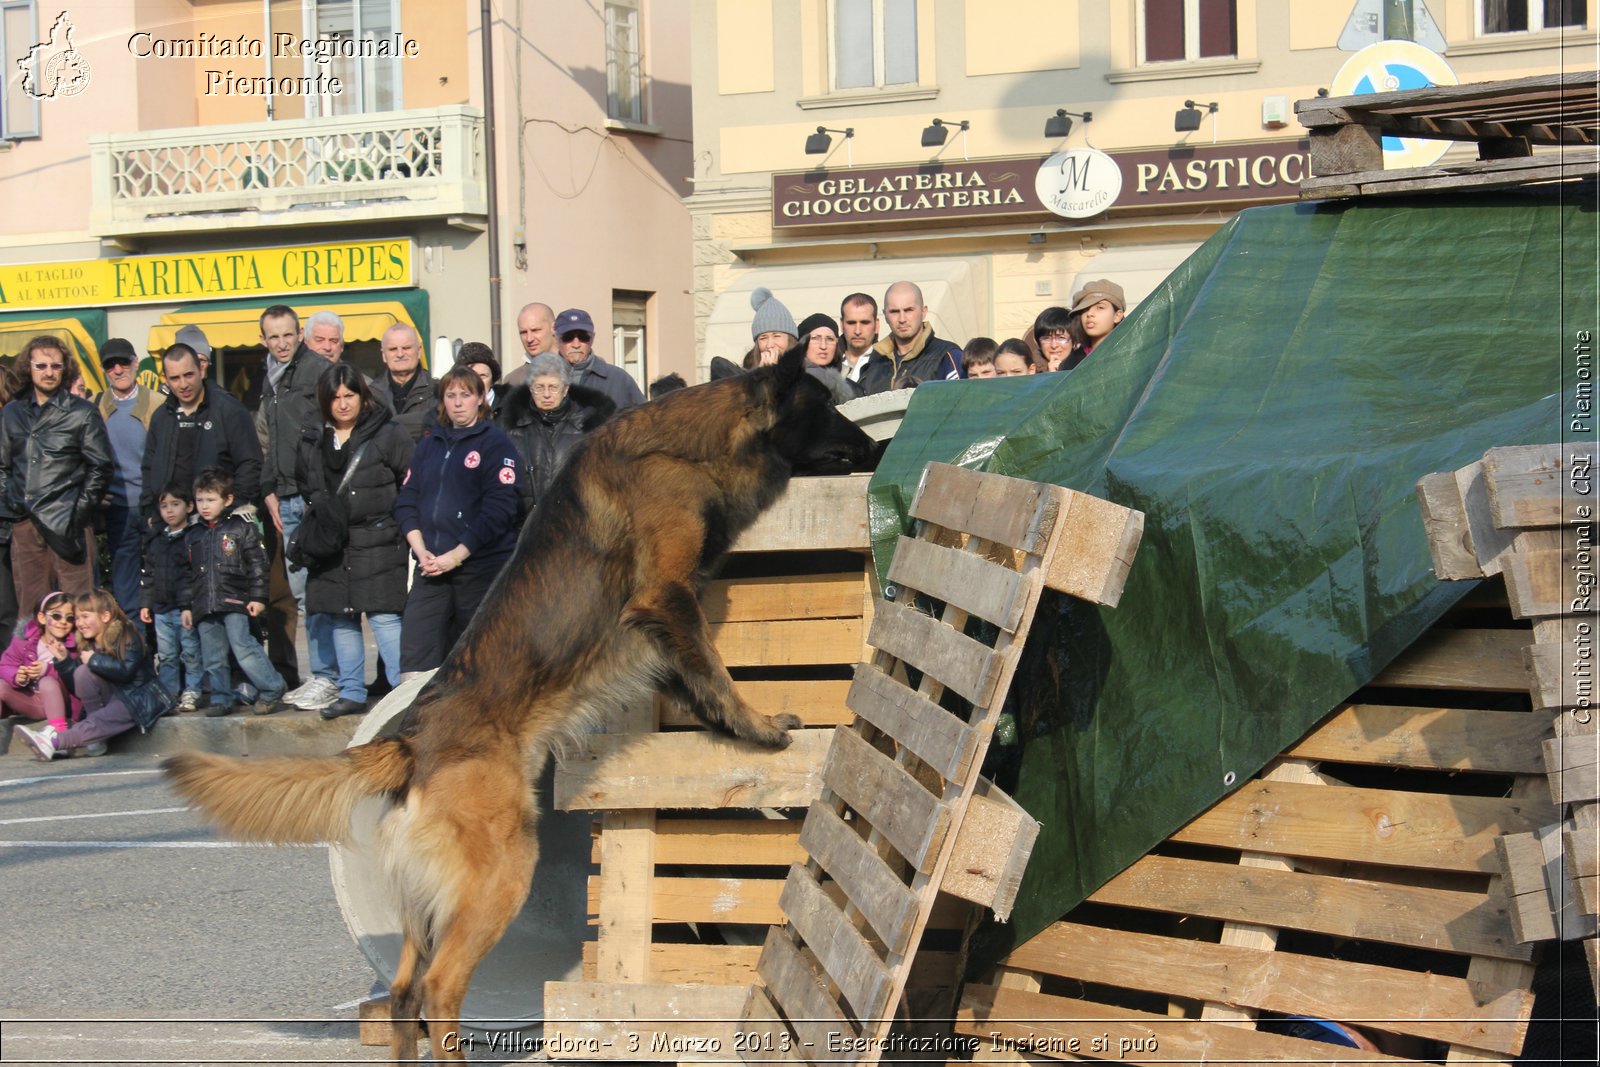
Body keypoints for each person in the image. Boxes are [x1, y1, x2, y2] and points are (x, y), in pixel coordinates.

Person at [288, 364, 413, 719]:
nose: (343, 404)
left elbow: (411, 479)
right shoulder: (313, 434)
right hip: (331, 541)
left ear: (362, 395)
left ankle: (404, 697)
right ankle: (352, 692)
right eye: (336, 397)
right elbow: (303, 480)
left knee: (384, 618)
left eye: (350, 395)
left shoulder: (388, 433)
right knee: (341, 618)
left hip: (378, 538)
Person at [394, 365, 523, 675]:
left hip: (479, 567)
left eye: (465, 395)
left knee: (478, 658)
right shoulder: (429, 444)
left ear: (480, 398)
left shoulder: (495, 443)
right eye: (450, 395)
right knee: (415, 652)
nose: (457, 402)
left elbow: (500, 510)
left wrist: (457, 555)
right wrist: (420, 548)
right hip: (431, 565)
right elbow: (406, 500)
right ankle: (417, 718)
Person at [0, 336, 115, 623]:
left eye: (55, 365)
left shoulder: (83, 412)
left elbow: (101, 467)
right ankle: (34, 669)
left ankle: (80, 668)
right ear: (29, 367)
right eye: (41, 365)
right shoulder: (12, 412)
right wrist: (14, 509)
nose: (49, 372)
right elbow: (3, 466)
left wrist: (77, 514)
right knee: (30, 613)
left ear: (65, 369)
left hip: (69, 524)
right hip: (25, 524)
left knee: (80, 611)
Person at [14, 589, 174, 761]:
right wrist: (64, 661)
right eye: (77, 618)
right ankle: (95, 740)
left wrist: (94, 660)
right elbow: (77, 687)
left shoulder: (127, 635)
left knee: (99, 718)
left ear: (105, 616)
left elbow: (126, 673)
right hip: (113, 695)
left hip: (137, 697)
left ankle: (53, 741)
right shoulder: (88, 645)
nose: (79, 623)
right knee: (83, 673)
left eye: (85, 616)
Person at [181, 467, 287, 717]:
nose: (204, 506)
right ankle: (221, 698)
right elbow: (187, 573)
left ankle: (272, 687)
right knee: (213, 656)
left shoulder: (242, 527)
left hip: (235, 599)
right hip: (204, 605)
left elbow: (258, 565)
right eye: (200, 500)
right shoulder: (193, 534)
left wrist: (258, 597)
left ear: (227, 500)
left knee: (244, 647)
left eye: (211, 500)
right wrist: (187, 605)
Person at [140, 343, 262, 530]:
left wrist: (231, 508)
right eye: (175, 378)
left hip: (217, 524)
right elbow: (148, 467)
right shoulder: (161, 417)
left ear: (201, 370)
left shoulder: (229, 410)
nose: (183, 384)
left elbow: (250, 463)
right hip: (169, 526)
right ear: (165, 379)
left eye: (188, 375)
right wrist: (149, 510)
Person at [498, 352, 615, 514]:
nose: (546, 394)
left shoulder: (586, 429)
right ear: (531, 388)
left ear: (565, 389)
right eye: (539, 387)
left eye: (553, 387)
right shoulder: (513, 429)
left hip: (571, 528)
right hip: (522, 529)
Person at [96, 338, 161, 618]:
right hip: (117, 510)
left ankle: (170, 656)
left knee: (166, 582)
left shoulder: (159, 403)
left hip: (155, 507)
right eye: (111, 364)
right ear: (104, 370)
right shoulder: (95, 407)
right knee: (125, 589)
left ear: (135, 362)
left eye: (124, 361)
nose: (118, 369)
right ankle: (136, 654)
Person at [141, 482, 203, 713]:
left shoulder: (193, 537)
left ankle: (193, 690)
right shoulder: (157, 540)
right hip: (161, 608)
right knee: (167, 655)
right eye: (164, 505)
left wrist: (188, 605)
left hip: (184, 608)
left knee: (190, 652)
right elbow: (149, 573)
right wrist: (146, 603)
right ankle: (168, 693)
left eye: (175, 504)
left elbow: (193, 575)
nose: (169, 510)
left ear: (189, 507)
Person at [858, 281, 963, 394]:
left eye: (908, 310)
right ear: (885, 315)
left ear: (923, 312)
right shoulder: (875, 361)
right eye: (894, 311)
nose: (902, 319)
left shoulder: (947, 356)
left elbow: (961, 405)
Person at [0, 591, 83, 729]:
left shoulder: (73, 645)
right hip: (33, 701)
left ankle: (60, 735)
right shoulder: (23, 641)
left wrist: (47, 670)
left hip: (63, 703)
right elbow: (5, 665)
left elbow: (76, 679)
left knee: (47, 682)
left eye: (70, 618)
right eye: (56, 616)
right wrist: (17, 676)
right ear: (42, 617)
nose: (63, 622)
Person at [552, 307, 646, 411]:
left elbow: (647, 419)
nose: (576, 344)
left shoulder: (619, 380)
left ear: (592, 339)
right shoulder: (540, 378)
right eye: (568, 337)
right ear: (556, 339)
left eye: (583, 337)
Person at [369, 323, 437, 444]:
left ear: (419, 351)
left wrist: (387, 426)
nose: (400, 354)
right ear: (384, 355)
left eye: (406, 348)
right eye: (393, 349)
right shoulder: (370, 394)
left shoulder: (438, 390)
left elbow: (435, 423)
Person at [1067, 279, 1126, 363]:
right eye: (1085, 309)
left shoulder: (1130, 356)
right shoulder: (1070, 362)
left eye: (1100, 307)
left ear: (1117, 316)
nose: (1090, 314)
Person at [507, 302, 557, 388]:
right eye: (523, 332)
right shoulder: (513, 381)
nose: (529, 339)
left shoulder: (575, 371)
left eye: (535, 330)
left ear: (554, 328)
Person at [746, 288, 798, 368]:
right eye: (763, 338)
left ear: (790, 339)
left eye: (776, 336)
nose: (770, 345)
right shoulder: (744, 374)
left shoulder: (805, 373)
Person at [838, 292, 879, 384]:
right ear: (842, 325)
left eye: (865, 323)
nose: (857, 331)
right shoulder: (827, 361)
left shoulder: (887, 364)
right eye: (851, 323)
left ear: (876, 325)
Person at [457, 342, 504, 416]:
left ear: (492, 380)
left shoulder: (512, 410)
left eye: (483, 376)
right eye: (470, 376)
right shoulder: (446, 412)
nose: (477, 382)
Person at [1030, 306, 1079, 372]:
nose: (1054, 345)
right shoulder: (1030, 369)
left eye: (1061, 338)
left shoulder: (1083, 365)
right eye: (1046, 338)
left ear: (1074, 340)